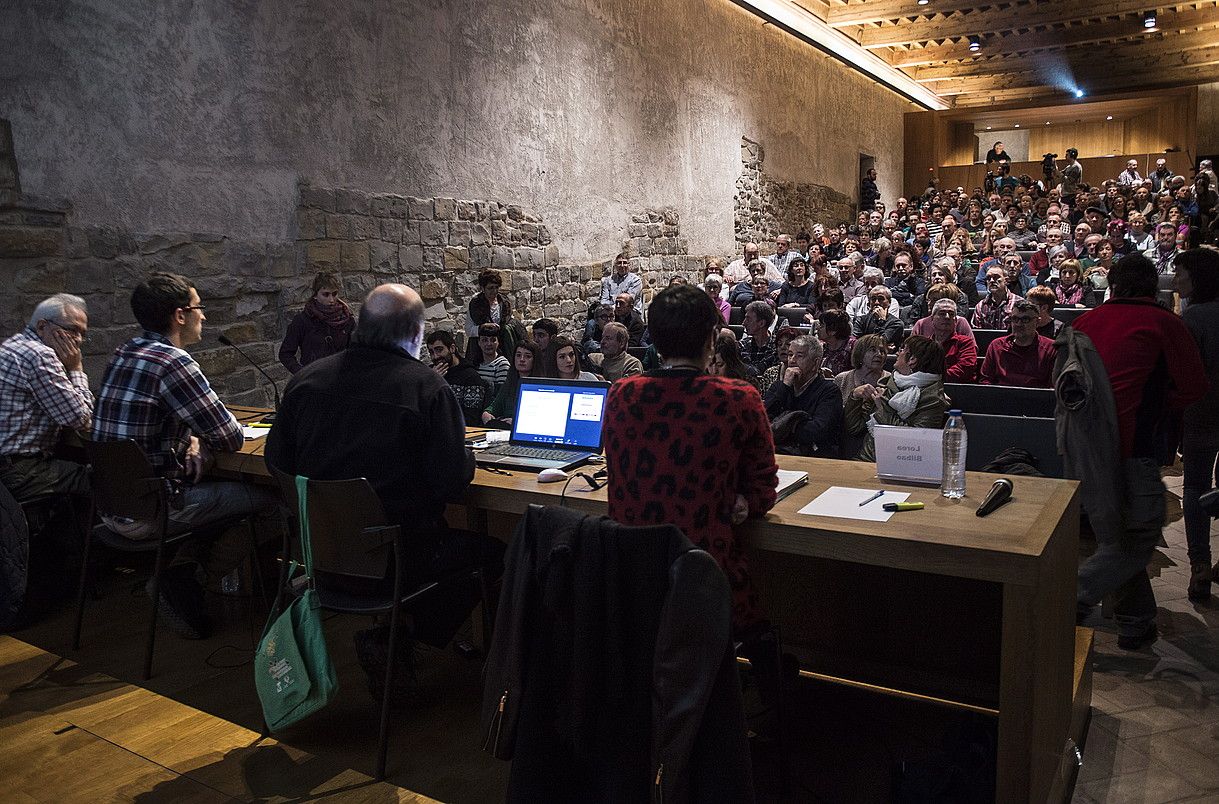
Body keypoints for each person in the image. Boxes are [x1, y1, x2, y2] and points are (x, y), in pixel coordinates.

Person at [265, 283, 503, 662]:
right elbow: (451, 484)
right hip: (401, 560)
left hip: (319, 556)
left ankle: (393, 635)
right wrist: (468, 458)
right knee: (496, 553)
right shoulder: (427, 388)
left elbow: (276, 462)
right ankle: (404, 634)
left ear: (360, 325)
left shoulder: (306, 380)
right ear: (416, 334)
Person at [602, 283, 779, 676]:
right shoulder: (738, 397)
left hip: (632, 579)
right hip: (708, 578)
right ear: (713, 338)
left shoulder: (621, 394)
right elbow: (763, 493)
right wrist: (741, 500)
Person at [93, 272, 278, 640]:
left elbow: (168, 415)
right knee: (276, 500)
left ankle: (181, 570)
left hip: (111, 506)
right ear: (180, 315)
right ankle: (184, 578)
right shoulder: (174, 362)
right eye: (199, 308)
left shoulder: (124, 353)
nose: (204, 317)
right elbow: (229, 435)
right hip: (154, 510)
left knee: (223, 495)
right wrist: (206, 439)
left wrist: (195, 437)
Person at [1073, 254, 1207, 649]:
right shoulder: (1164, 322)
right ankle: (1069, 597)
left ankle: (1137, 622)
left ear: (1112, 285)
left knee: (1116, 537)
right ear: (1154, 285)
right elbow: (1194, 387)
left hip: (1084, 452)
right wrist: (1158, 405)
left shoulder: (1084, 322)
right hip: (1135, 448)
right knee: (1138, 539)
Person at [0, 294, 92, 502]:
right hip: (18, 470)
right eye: (71, 330)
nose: (78, 340)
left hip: (9, 466)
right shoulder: (40, 355)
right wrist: (76, 369)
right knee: (99, 478)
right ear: (42, 326)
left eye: (83, 334)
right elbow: (80, 419)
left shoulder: (12, 346)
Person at [1175, 249, 1219, 600]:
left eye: (1181, 273)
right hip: (1205, 413)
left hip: (1201, 414)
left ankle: (1199, 564)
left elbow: (1185, 374)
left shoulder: (1193, 317)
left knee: (1196, 488)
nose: (1175, 280)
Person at [844, 335, 947, 463]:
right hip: (867, 460)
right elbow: (855, 428)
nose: (898, 352)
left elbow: (914, 442)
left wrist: (882, 408)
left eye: (903, 349)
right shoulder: (887, 384)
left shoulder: (933, 399)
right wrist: (854, 397)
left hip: (904, 464)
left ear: (912, 360)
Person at [764, 335, 843, 458]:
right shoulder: (778, 387)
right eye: (790, 355)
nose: (792, 360)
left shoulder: (829, 391)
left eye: (799, 356)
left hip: (814, 457)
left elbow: (818, 431)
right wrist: (785, 386)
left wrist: (782, 427)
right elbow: (762, 422)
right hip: (777, 454)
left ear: (815, 363)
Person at [278, 271, 354, 374]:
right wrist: (302, 373)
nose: (331, 299)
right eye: (325, 294)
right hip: (314, 382)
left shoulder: (346, 319)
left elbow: (355, 350)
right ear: (315, 295)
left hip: (340, 380)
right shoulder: (302, 320)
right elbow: (285, 353)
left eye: (334, 294)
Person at [978, 299, 1055, 387]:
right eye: (1015, 319)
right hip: (1001, 397)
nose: (1018, 324)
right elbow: (985, 380)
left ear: (1037, 322)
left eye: (1025, 319)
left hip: (1035, 399)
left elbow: (1052, 388)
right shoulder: (996, 346)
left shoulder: (1051, 348)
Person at [426, 329, 489, 426]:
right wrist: (431, 382)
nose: (435, 356)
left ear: (452, 348)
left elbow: (471, 419)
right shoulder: (430, 373)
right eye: (431, 352)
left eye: (439, 350)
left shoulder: (470, 376)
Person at [482, 340, 541, 426]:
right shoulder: (510, 383)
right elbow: (495, 406)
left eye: (527, 356)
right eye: (518, 355)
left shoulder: (541, 386)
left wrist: (517, 422)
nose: (522, 359)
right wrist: (486, 413)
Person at [926, 299, 977, 383]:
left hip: (958, 389)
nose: (947, 317)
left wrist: (933, 378)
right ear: (932, 319)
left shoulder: (965, 343)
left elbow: (964, 369)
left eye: (951, 314)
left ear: (956, 321)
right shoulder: (925, 344)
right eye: (942, 314)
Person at [833, 333, 890, 404]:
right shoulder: (842, 379)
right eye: (873, 350)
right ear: (860, 353)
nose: (879, 354)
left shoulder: (890, 380)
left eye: (882, 351)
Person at [467, 269, 512, 339]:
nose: (494, 291)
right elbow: (468, 330)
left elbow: (509, 321)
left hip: (502, 343)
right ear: (482, 288)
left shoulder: (504, 303)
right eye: (490, 288)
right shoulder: (475, 304)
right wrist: (483, 327)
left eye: (496, 287)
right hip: (481, 344)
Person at [739, 300, 778, 375]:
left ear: (761, 323)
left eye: (748, 319)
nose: (743, 323)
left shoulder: (776, 347)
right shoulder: (742, 345)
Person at [471, 322, 511, 395]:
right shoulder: (475, 364)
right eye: (484, 340)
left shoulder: (502, 364)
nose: (489, 344)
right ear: (479, 342)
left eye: (493, 340)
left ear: (498, 342)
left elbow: (500, 394)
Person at [818, 310, 855, 377]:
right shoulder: (821, 347)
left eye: (821, 325)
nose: (818, 328)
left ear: (833, 330)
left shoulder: (852, 347)